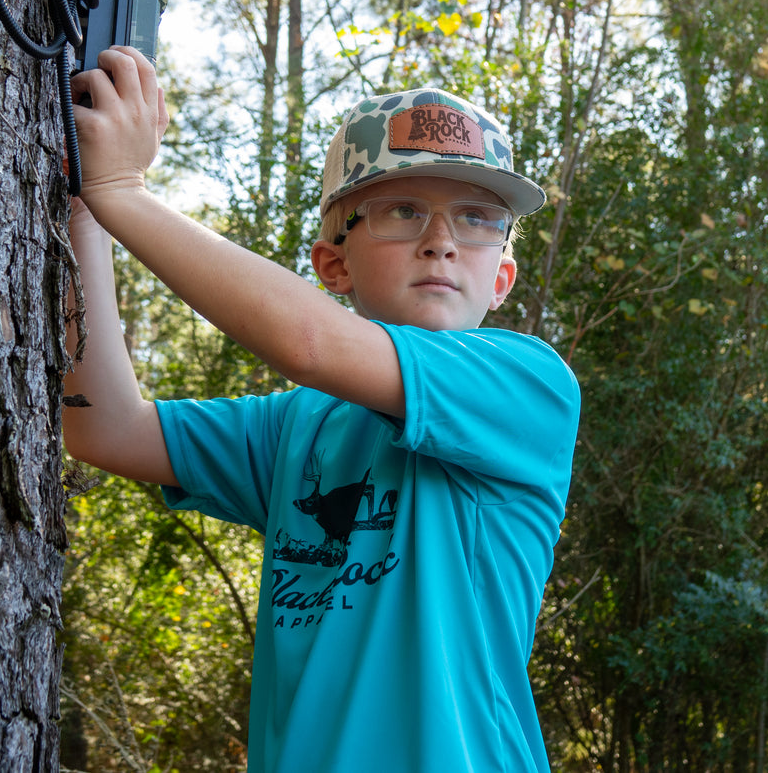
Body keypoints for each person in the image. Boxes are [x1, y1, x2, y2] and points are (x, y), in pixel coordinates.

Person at [63, 45, 581, 773]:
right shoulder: (295, 428)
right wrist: (84, 212)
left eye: (475, 218)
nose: (441, 242)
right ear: (333, 264)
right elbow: (103, 426)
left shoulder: (527, 388)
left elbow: (308, 339)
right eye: (403, 211)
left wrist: (123, 187)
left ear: (501, 276)